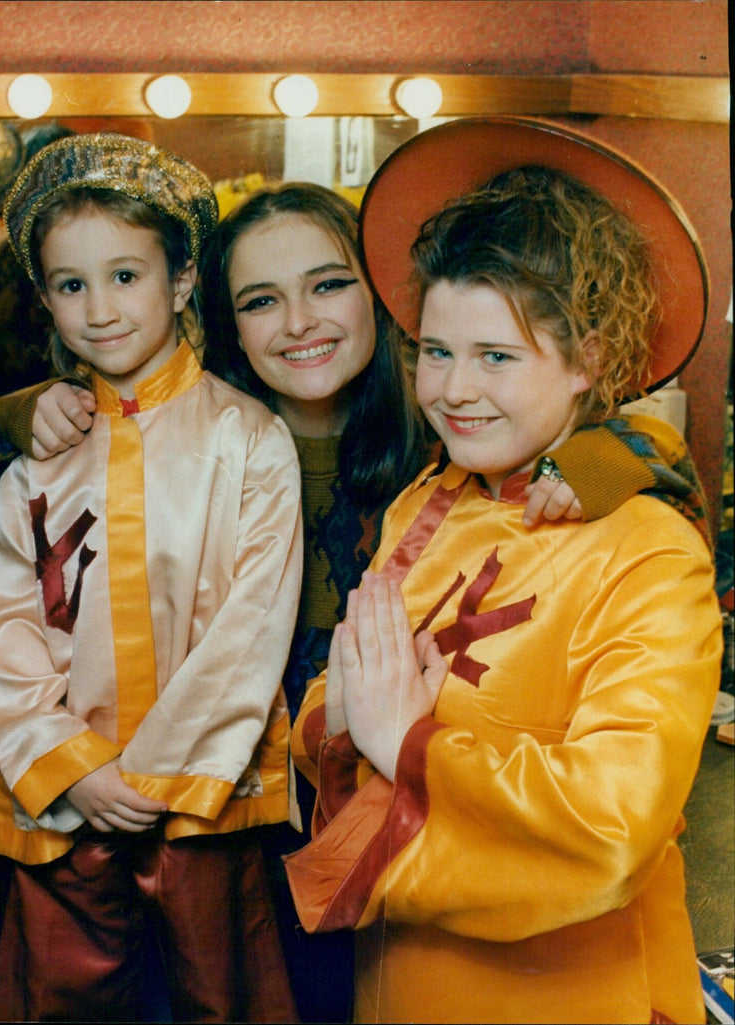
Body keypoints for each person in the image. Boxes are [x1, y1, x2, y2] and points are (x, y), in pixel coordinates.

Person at [0, 177, 711, 1024]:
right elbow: (18, 553)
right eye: (260, 299)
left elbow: (594, 428)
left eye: (328, 284)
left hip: (407, 871)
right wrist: (29, 412)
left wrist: (618, 452)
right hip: (222, 831)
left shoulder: (444, 454)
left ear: (380, 296)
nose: (300, 321)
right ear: (222, 315)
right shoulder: (397, 479)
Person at [284, 119, 723, 1024]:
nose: (453, 390)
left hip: (568, 992)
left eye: (496, 356)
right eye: (436, 352)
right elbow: (338, 698)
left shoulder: (649, 549)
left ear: (587, 361)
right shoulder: (427, 501)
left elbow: (612, 824)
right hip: (400, 972)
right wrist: (351, 723)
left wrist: (409, 740)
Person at [0, 132, 303, 1023]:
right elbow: (0, 634)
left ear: (183, 281)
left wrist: (150, 779)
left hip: (203, 812)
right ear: (44, 297)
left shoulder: (250, 440)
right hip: (65, 815)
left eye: (126, 275)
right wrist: (71, 769)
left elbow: (249, 631)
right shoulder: (33, 469)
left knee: (216, 1000)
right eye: (72, 285)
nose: (101, 308)